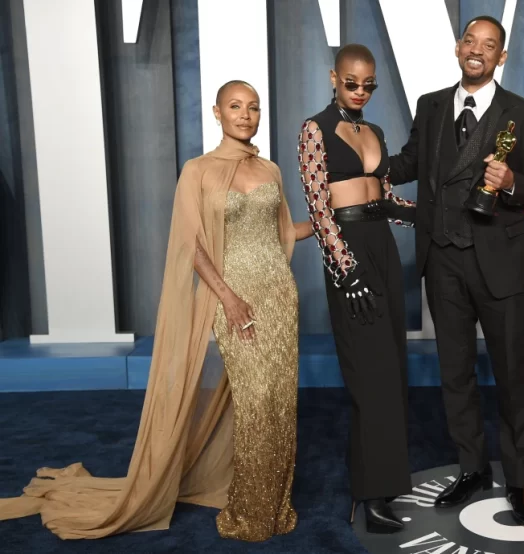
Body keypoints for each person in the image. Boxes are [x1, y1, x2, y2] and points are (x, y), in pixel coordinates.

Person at [0, 80, 313, 542]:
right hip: (234, 302)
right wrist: (227, 298)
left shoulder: (271, 170)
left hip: (279, 299)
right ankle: (248, 513)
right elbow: (193, 245)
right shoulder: (199, 171)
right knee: (254, 403)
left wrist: (341, 221)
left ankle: (274, 506)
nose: (245, 115)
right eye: (235, 106)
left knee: (280, 406)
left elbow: (286, 231)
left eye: (253, 107)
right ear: (217, 113)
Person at [388, 16, 524, 526]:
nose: (477, 51)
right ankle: (472, 467)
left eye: (489, 46)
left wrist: (510, 181)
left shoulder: (523, 112)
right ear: (459, 48)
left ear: (501, 57)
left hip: (499, 262)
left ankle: (519, 482)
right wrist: (362, 160)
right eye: (470, 41)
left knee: (512, 377)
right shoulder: (431, 104)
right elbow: (411, 162)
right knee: (455, 374)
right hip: (444, 260)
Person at [298, 44, 415, 534]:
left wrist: (429, 218)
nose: (361, 91)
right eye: (352, 82)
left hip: (382, 246)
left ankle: (387, 485)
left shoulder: (377, 131)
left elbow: (385, 198)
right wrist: (345, 270)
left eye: (369, 84)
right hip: (349, 252)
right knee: (369, 376)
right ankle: (370, 495)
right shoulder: (314, 129)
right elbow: (319, 205)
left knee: (391, 368)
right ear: (333, 77)